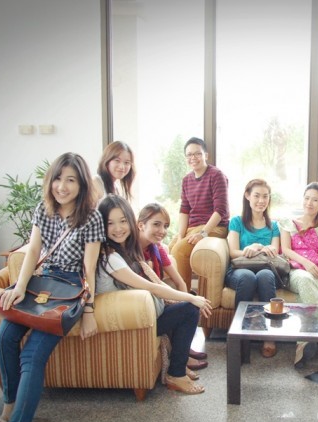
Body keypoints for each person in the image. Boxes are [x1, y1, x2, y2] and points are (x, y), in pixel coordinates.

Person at [0, 153, 105, 422]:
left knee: (32, 356)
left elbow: (89, 268)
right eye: (58, 178)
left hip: (69, 290)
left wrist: (89, 310)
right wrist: (19, 287)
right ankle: (9, 407)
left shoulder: (92, 217)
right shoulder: (43, 208)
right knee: (4, 337)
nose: (62, 186)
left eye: (71, 180)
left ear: (82, 184)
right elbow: (34, 250)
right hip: (40, 282)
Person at [96, 194, 214, 395]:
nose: (118, 228)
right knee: (189, 309)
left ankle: (179, 363)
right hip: (129, 320)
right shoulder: (110, 257)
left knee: (186, 307)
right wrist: (191, 298)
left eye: (123, 221)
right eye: (110, 223)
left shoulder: (123, 250)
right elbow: (150, 287)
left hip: (138, 314)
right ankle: (176, 374)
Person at [137, 202, 209, 369]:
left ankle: (183, 348)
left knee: (189, 303)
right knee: (189, 306)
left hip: (157, 304)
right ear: (141, 225)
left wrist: (185, 300)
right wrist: (187, 301)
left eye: (165, 226)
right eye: (156, 224)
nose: (162, 231)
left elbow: (179, 281)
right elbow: (152, 287)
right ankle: (180, 361)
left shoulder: (156, 248)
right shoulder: (131, 252)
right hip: (145, 311)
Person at [279, 182, 318, 368]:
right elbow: (286, 250)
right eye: (307, 198)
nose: (309, 203)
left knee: (306, 292)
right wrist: (306, 263)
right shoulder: (288, 223)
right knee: (305, 280)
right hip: (296, 271)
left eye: (315, 200)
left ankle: (302, 344)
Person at [226, 179, 281, 358]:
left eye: (265, 196)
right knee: (247, 277)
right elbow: (233, 252)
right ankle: (241, 336)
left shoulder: (274, 226)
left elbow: (275, 252)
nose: (261, 201)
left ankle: (269, 336)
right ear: (247, 196)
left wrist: (264, 248)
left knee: (265, 276)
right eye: (256, 196)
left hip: (266, 268)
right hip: (240, 269)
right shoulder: (237, 221)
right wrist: (251, 248)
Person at [170, 137, 230, 290]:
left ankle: (184, 296)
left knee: (179, 251)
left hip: (215, 227)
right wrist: (181, 235)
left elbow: (220, 210)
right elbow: (184, 210)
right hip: (193, 227)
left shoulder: (216, 175)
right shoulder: (186, 180)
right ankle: (179, 293)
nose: (193, 158)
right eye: (189, 155)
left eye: (197, 154)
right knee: (171, 247)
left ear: (206, 155)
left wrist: (203, 233)